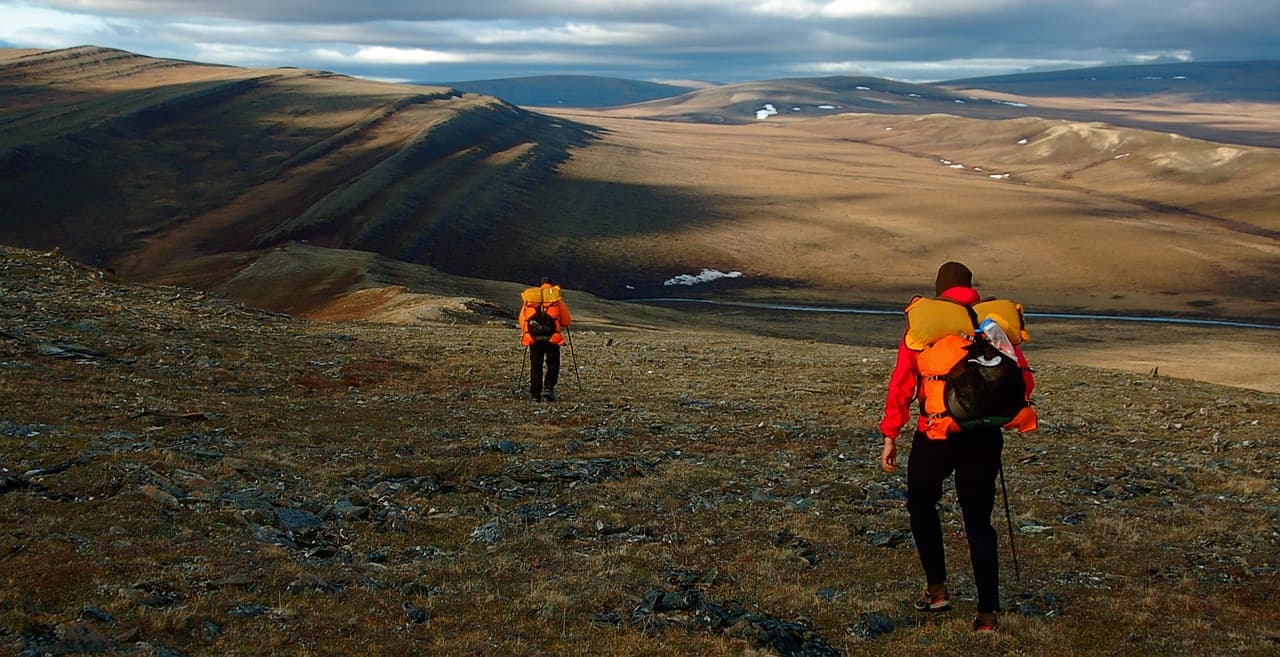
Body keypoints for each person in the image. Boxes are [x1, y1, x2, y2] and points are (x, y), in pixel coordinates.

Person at [877, 261, 1036, 633]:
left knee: (921, 503)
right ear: (971, 289)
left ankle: (937, 591)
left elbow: (902, 383)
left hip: (935, 433)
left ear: (939, 289)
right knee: (978, 522)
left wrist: (890, 434)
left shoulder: (926, 326)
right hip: (984, 435)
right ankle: (987, 614)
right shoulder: (994, 325)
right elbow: (1023, 382)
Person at [518, 276, 572, 402]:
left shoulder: (531, 298)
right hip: (552, 338)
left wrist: (529, 331)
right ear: (551, 285)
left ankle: (535, 394)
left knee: (536, 365)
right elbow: (566, 320)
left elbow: (522, 319)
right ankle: (549, 388)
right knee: (553, 363)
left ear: (540, 285)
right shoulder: (555, 298)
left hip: (534, 338)